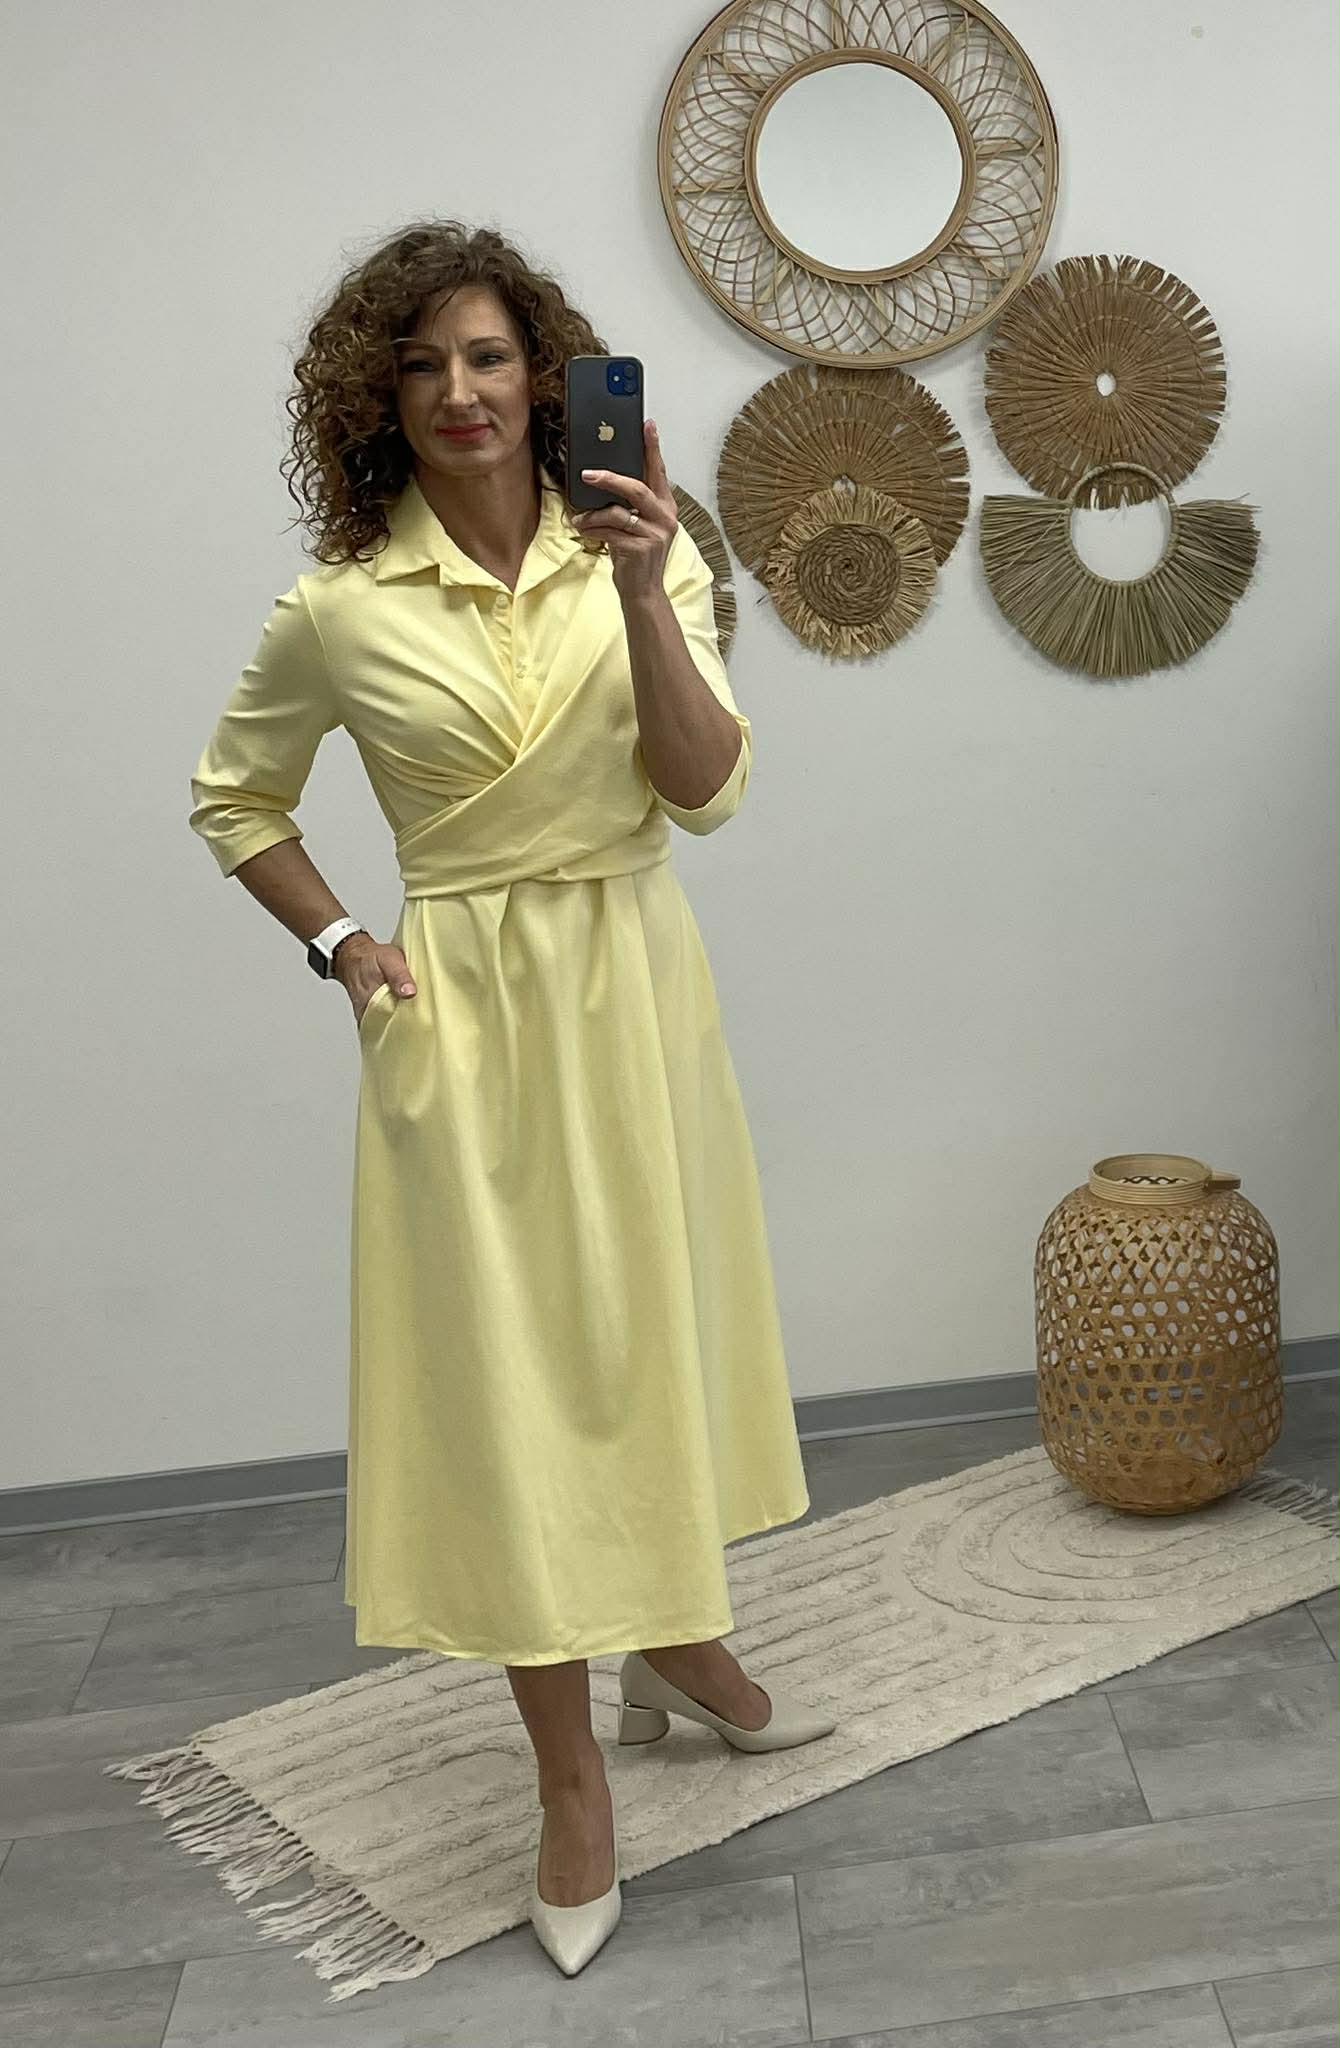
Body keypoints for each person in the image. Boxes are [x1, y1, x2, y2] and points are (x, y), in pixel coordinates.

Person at [188, 219, 832, 1975]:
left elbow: (706, 791)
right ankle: (568, 1780)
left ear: (544, 375)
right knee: (511, 1396)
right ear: (376, 402)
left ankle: (673, 1646)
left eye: (486, 355)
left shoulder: (643, 547)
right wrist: (345, 949)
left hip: (635, 986)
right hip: (463, 1016)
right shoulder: (340, 609)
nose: (459, 391)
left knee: (650, 1342)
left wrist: (645, 587)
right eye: (420, 366)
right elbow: (235, 798)